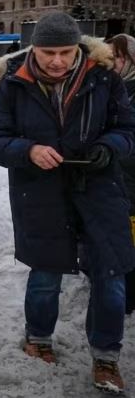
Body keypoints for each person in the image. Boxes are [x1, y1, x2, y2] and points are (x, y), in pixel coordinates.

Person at [0, 12, 135, 394]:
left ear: (78, 48)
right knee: (45, 274)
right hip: (40, 194)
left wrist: (109, 147)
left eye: (66, 52)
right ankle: (38, 338)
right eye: (49, 52)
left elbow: (128, 130)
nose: (57, 61)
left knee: (110, 276)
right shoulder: (14, 84)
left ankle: (106, 357)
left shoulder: (105, 78)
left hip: (101, 192)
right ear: (36, 49)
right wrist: (27, 150)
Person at [108, 33, 135, 314]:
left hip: (128, 181)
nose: (111, 62)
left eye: (117, 56)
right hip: (114, 182)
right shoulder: (112, 88)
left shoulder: (129, 91)